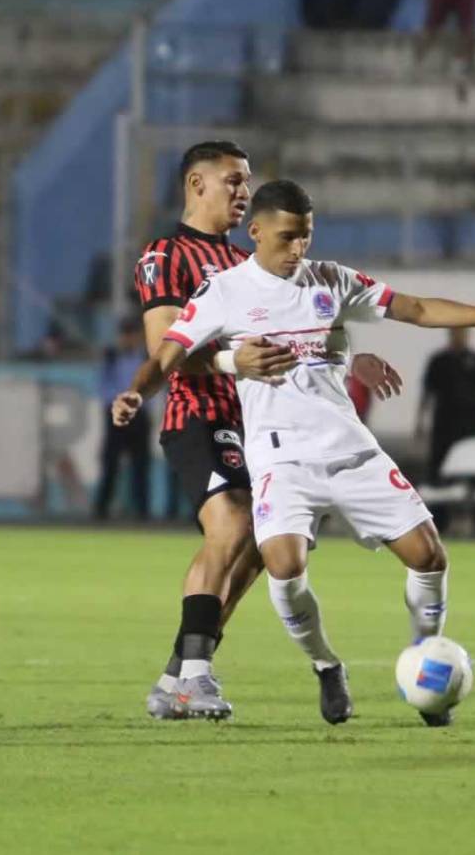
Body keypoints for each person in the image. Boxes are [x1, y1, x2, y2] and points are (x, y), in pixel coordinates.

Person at [114, 179, 475, 726]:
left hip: (351, 451)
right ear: (256, 232)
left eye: (305, 235)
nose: (298, 247)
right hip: (281, 460)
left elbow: (416, 308)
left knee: (429, 556)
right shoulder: (225, 292)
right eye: (287, 237)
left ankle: (424, 658)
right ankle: (326, 664)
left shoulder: (332, 279)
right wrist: (136, 392)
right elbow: (167, 354)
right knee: (283, 567)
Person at [132, 141, 401, 723]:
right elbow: (164, 350)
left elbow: (307, 335)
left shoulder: (251, 261)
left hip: (265, 426)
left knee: (258, 547)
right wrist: (232, 362)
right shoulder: (167, 254)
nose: (243, 191)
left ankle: (179, 675)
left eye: (247, 181)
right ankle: (194, 676)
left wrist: (348, 359)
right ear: (196, 184)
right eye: (233, 180)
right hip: (201, 414)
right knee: (231, 523)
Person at [418, 327, 475, 532]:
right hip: (443, 426)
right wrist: (420, 423)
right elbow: (427, 394)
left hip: (470, 426)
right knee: (438, 473)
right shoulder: (439, 361)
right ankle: (439, 522)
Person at [93, 316, 152, 520]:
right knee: (110, 463)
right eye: (125, 334)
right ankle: (101, 509)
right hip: (115, 414)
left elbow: (152, 387)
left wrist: (137, 404)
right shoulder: (110, 358)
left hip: (139, 416)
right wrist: (119, 403)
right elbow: (103, 386)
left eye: (131, 334)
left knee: (140, 465)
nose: (127, 338)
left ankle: (142, 511)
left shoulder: (146, 357)